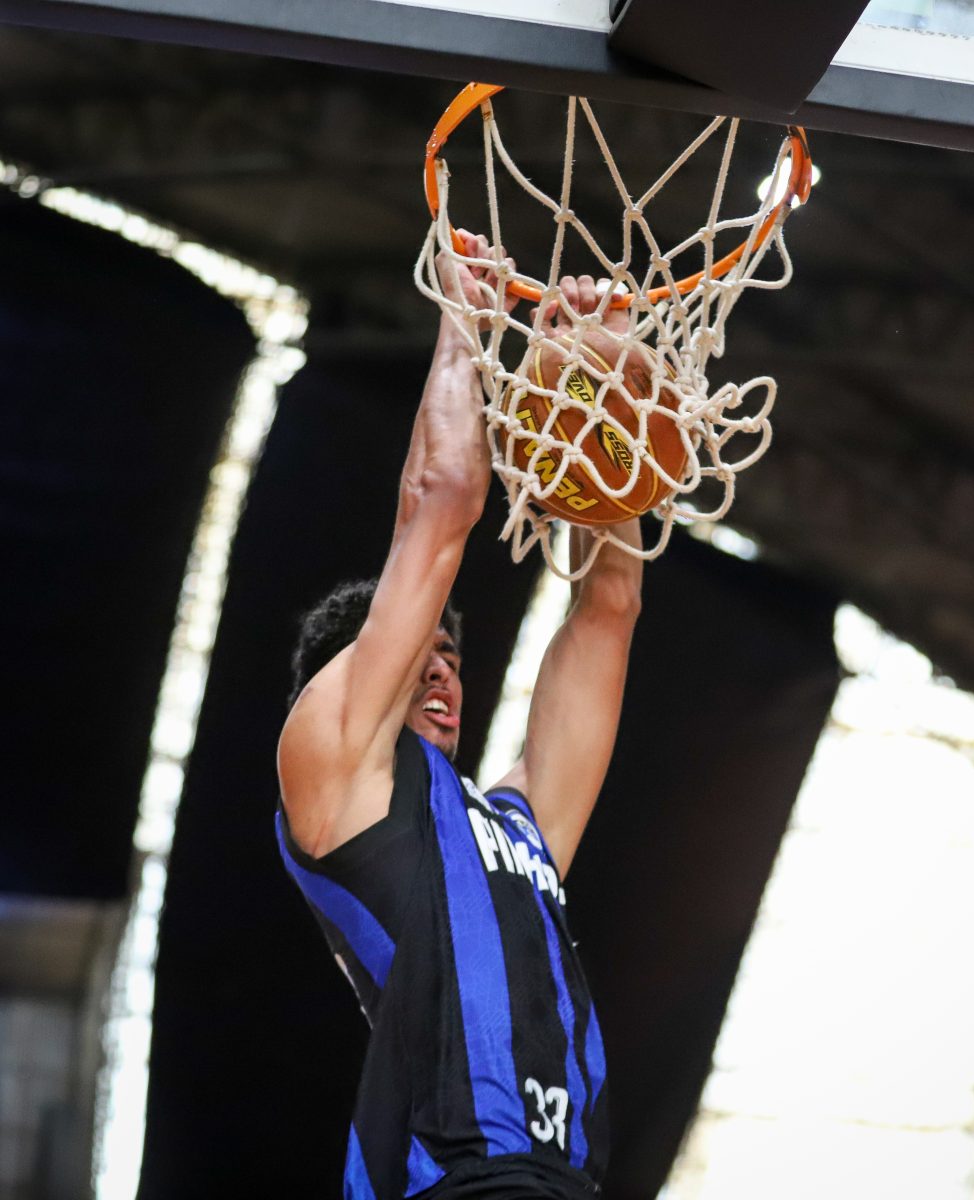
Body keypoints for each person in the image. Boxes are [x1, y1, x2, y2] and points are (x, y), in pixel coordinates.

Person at [275, 232, 642, 1200]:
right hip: (458, 1181)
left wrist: (597, 393)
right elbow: (440, 500)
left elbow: (609, 606)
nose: (441, 673)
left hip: (565, 1182)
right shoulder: (332, 774)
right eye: (419, 656)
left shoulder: (515, 824)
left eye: (453, 659)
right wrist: (465, 326)